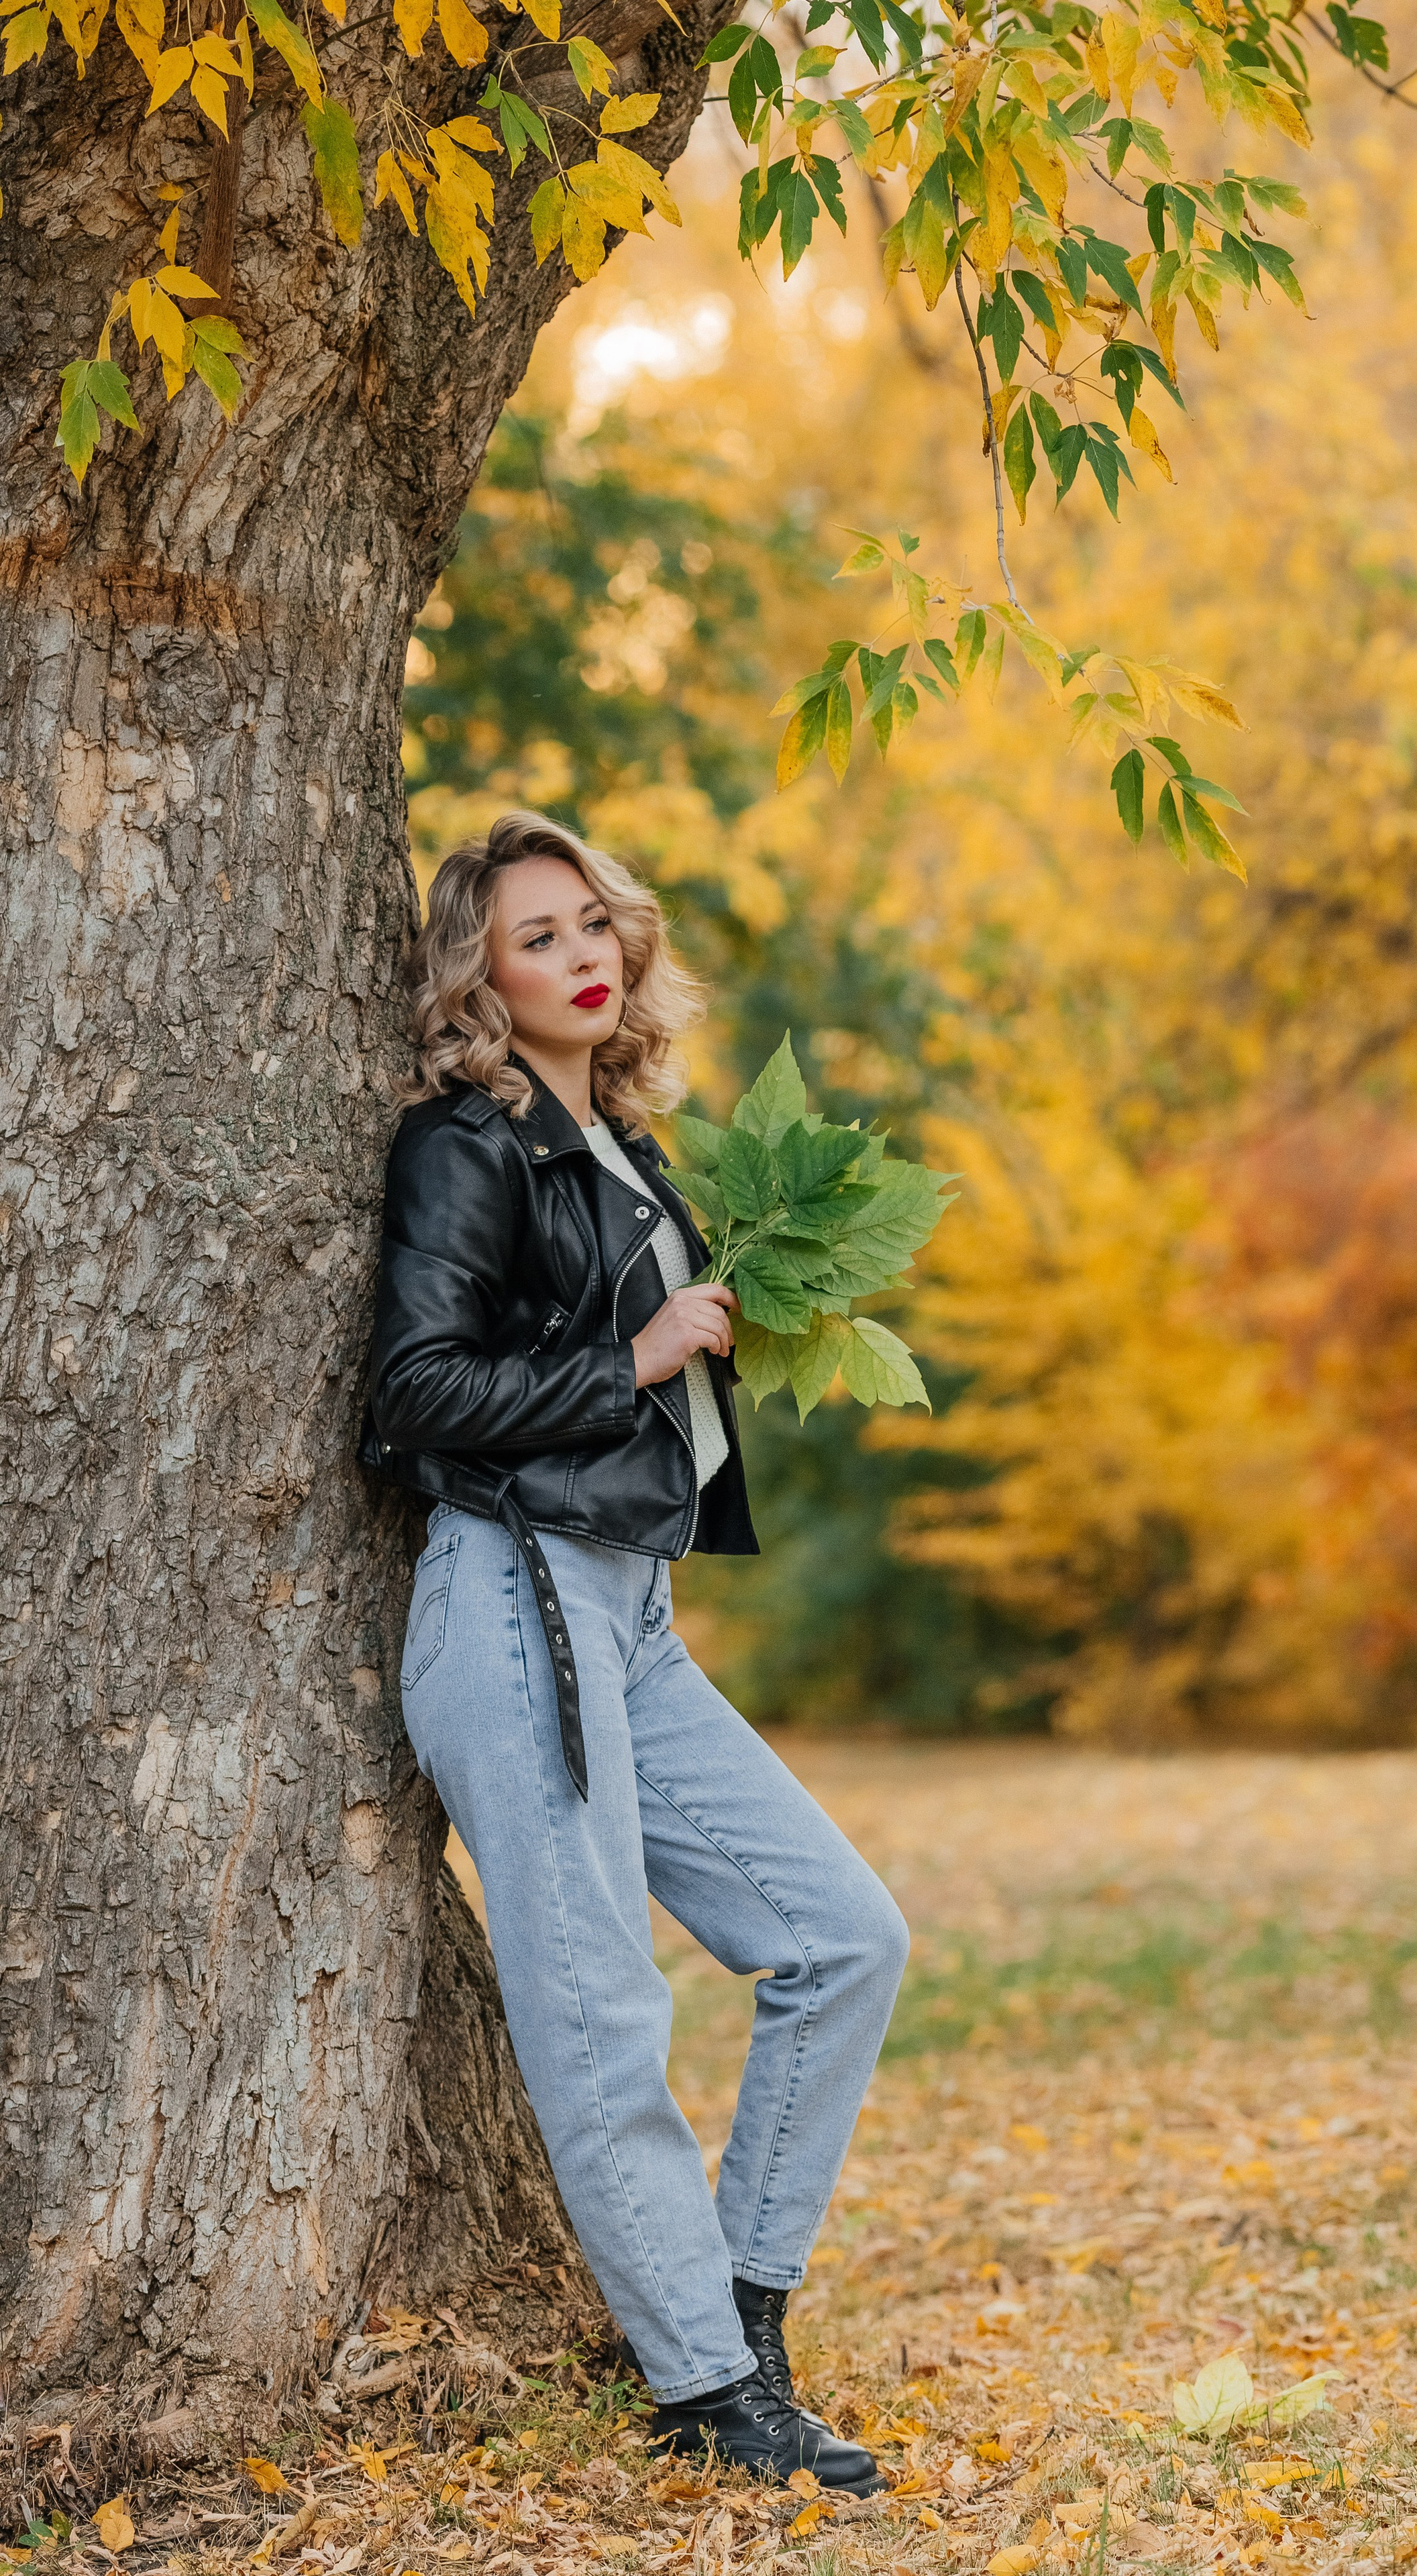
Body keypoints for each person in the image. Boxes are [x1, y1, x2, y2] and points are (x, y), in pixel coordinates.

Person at [360, 810, 908, 2492]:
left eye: (593, 920)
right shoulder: (470, 1143)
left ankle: (732, 2303)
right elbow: (412, 1394)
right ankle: (704, 2395)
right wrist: (640, 1350)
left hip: (631, 1623)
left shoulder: (621, 1144)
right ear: (480, 971)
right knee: (598, 2012)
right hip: (514, 1600)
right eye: (536, 936)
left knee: (842, 1938)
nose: (582, 953)